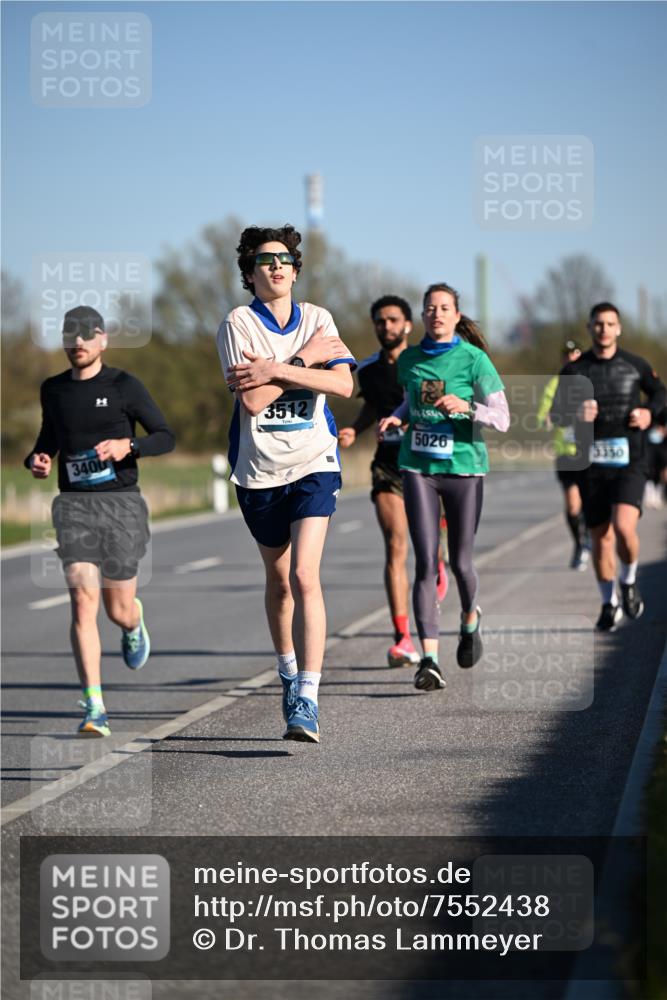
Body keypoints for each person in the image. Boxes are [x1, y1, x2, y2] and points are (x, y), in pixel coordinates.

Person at [218, 224, 356, 743]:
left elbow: (343, 383)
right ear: (249, 273)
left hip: (314, 461)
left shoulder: (319, 319)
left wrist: (275, 371)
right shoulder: (237, 324)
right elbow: (251, 402)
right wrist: (302, 361)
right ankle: (287, 668)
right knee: (278, 583)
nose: (275, 266)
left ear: (295, 269)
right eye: (263, 260)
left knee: (304, 576)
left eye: (284, 259)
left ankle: (309, 695)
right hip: (259, 471)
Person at [25, 305, 175, 736]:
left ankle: (133, 621)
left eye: (85, 335)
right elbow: (48, 441)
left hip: (121, 505)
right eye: (69, 335)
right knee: (82, 600)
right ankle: (94, 706)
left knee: (117, 608)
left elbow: (166, 436)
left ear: (102, 339)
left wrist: (129, 446)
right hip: (73, 507)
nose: (77, 342)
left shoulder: (124, 385)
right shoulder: (53, 390)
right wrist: (37, 459)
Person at [379, 283, 509, 692]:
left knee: (461, 564)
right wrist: (398, 417)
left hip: (464, 468)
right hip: (418, 466)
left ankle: (470, 617)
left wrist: (467, 407)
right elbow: (411, 398)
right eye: (430, 308)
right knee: (425, 561)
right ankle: (430, 660)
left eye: (444, 308)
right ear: (423, 316)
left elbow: (502, 418)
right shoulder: (411, 359)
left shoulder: (474, 360)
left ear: (456, 315)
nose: (436, 313)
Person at [338, 296, 448, 669]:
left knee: (428, 547)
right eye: (379, 321)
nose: (386, 326)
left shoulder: (424, 362)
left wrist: (408, 421)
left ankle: (438, 561)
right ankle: (402, 637)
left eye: (392, 320)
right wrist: (355, 427)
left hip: (427, 464)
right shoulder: (366, 369)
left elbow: (433, 410)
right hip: (387, 465)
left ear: (407, 325)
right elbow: (371, 405)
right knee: (395, 545)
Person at [552, 302, 666, 631]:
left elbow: (660, 394)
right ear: (590, 329)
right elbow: (557, 414)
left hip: (630, 460)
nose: (604, 329)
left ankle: (628, 581)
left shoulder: (635, 364)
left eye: (610, 323)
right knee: (600, 537)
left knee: (624, 528)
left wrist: (648, 413)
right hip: (591, 465)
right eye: (598, 324)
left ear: (618, 328)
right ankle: (608, 602)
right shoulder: (575, 371)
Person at [537, 339, 591, 570]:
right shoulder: (554, 385)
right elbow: (542, 417)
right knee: (572, 505)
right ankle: (580, 544)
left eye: (575, 353)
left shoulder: (591, 380)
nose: (571, 358)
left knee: (592, 502)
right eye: (567, 355)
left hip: (589, 451)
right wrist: (547, 419)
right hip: (566, 452)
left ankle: (591, 535)